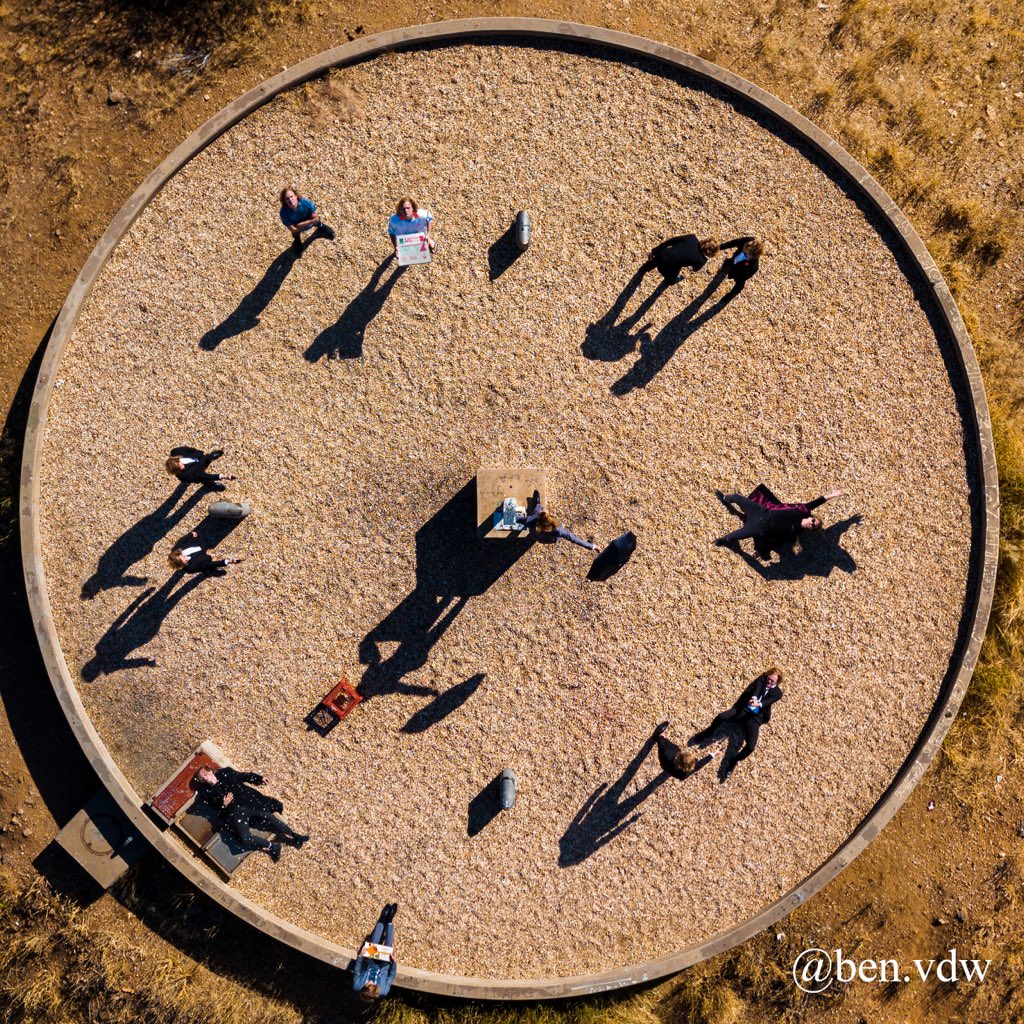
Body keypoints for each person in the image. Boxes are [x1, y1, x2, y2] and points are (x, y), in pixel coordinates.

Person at [190, 765, 309, 862]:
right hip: (234, 813)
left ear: (211, 771)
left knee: (268, 816)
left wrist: (258, 778)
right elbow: (218, 810)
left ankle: (295, 835)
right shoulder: (207, 792)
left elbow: (243, 776)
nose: (205, 778)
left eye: (206, 774)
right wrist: (224, 805)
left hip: (247, 805)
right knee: (245, 838)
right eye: (202, 778)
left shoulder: (225, 773)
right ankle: (273, 847)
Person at [691, 669, 784, 776]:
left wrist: (758, 704)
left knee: (751, 747)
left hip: (754, 718)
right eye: (769, 678)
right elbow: (757, 689)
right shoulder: (762, 679)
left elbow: (768, 702)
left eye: (772, 681)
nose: (769, 681)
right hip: (744, 709)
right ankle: (707, 733)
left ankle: (734, 761)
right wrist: (754, 698)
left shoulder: (778, 693)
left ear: (777, 682)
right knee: (721, 716)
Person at [714, 488, 845, 556]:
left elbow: (777, 541)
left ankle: (723, 540)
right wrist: (833, 495)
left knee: (732, 537)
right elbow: (816, 502)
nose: (812, 523)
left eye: (813, 526)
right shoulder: (802, 511)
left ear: (810, 529)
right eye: (813, 521)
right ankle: (725, 498)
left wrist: (762, 550)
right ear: (811, 517)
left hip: (759, 528)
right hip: (760, 512)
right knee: (736, 497)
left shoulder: (795, 533)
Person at [516, 492, 597, 551]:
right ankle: (537, 503)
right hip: (548, 539)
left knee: (536, 510)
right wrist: (592, 546)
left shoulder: (530, 520)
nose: (541, 511)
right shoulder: (559, 530)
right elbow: (575, 539)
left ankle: (537, 504)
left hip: (537, 536)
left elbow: (517, 518)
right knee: (538, 510)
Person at [353, 903, 398, 1002]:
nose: (370, 981)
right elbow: (391, 976)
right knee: (388, 947)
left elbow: (357, 968)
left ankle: (382, 918)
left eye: (368, 983)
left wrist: (360, 955)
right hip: (384, 965)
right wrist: (394, 962)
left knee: (373, 943)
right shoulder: (384, 990)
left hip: (370, 962)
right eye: (372, 983)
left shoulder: (357, 985)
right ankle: (390, 920)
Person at [641, 234, 721, 282]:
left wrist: (654, 251)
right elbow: (695, 269)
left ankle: (643, 269)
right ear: (711, 253)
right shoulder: (701, 260)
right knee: (671, 278)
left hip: (662, 254)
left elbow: (670, 241)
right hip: (670, 268)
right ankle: (671, 280)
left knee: (652, 263)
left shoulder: (691, 238)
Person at [279, 187, 335, 251]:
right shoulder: (283, 212)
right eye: (287, 199)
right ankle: (297, 241)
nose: (290, 200)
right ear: (284, 201)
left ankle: (321, 226)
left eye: (291, 196)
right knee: (295, 233)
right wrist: (311, 221)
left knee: (316, 219)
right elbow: (293, 229)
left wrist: (300, 224)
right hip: (303, 225)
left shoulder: (305, 202)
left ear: (296, 196)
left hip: (303, 223)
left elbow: (316, 217)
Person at [168, 532, 242, 575]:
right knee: (208, 567)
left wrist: (190, 535)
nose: (185, 558)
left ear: (179, 553)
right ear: (181, 565)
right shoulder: (190, 568)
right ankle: (212, 572)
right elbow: (207, 565)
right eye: (184, 561)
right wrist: (226, 562)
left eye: (183, 556)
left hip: (200, 543)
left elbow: (182, 540)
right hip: (204, 558)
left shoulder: (177, 548)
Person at [165, 447, 236, 490]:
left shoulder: (175, 452)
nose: (182, 466)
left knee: (208, 458)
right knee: (204, 479)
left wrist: (198, 452)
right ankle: (210, 484)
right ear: (177, 471)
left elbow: (189, 449)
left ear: (176, 459)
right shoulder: (186, 476)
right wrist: (225, 476)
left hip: (200, 458)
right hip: (199, 469)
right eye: (180, 468)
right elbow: (205, 476)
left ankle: (212, 456)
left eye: (180, 464)